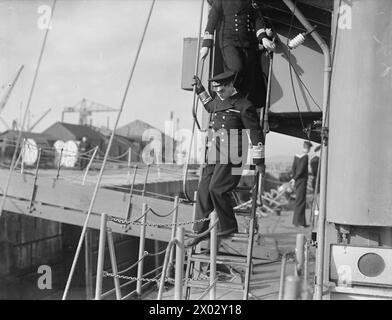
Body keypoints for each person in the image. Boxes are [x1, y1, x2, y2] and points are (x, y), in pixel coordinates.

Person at [187, 70, 265, 247]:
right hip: (216, 151)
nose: (219, 94)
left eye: (222, 90)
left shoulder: (243, 105)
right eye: (217, 91)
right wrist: (200, 90)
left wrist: (259, 161)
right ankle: (200, 231)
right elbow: (209, 105)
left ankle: (229, 227)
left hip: (233, 152)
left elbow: (255, 132)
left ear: (231, 86)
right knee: (204, 190)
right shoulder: (219, 100)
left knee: (217, 189)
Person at [200, 0, 275, 107]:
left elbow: (257, 20)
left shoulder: (250, 2)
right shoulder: (221, 2)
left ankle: (243, 105)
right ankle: (225, 101)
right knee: (236, 69)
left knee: (249, 75)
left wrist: (263, 38)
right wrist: (206, 45)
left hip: (247, 44)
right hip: (229, 43)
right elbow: (212, 21)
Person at [290, 140, 312, 228]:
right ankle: (301, 223)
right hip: (302, 181)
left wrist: (293, 178)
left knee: (297, 201)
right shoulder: (305, 156)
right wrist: (295, 178)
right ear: (308, 148)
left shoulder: (296, 156)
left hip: (297, 181)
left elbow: (293, 168)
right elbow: (301, 169)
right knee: (301, 201)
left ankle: (296, 222)